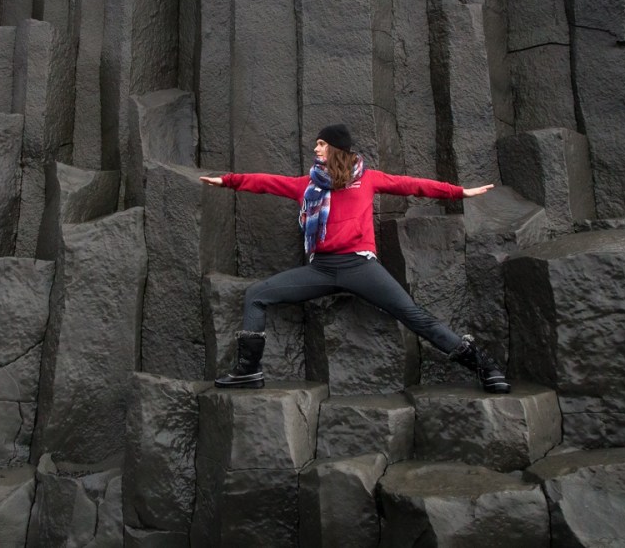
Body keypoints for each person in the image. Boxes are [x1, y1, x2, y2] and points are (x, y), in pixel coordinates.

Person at [199, 124, 510, 394]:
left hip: (361, 267)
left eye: (321, 143)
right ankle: (249, 372)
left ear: (336, 148)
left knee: (414, 316)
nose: (316, 148)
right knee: (256, 295)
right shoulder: (307, 186)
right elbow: (265, 182)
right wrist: (228, 180)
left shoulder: (368, 179)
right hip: (321, 269)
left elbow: (412, 185)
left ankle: (485, 367)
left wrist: (459, 193)